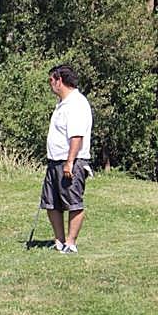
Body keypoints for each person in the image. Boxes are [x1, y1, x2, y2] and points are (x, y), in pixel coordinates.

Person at [42, 64, 93, 254]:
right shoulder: (62, 104)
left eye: (51, 80)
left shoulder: (77, 103)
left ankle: (71, 243)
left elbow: (76, 136)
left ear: (59, 80)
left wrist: (70, 162)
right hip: (54, 160)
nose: (50, 85)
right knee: (51, 202)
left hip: (71, 161)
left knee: (73, 202)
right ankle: (59, 240)